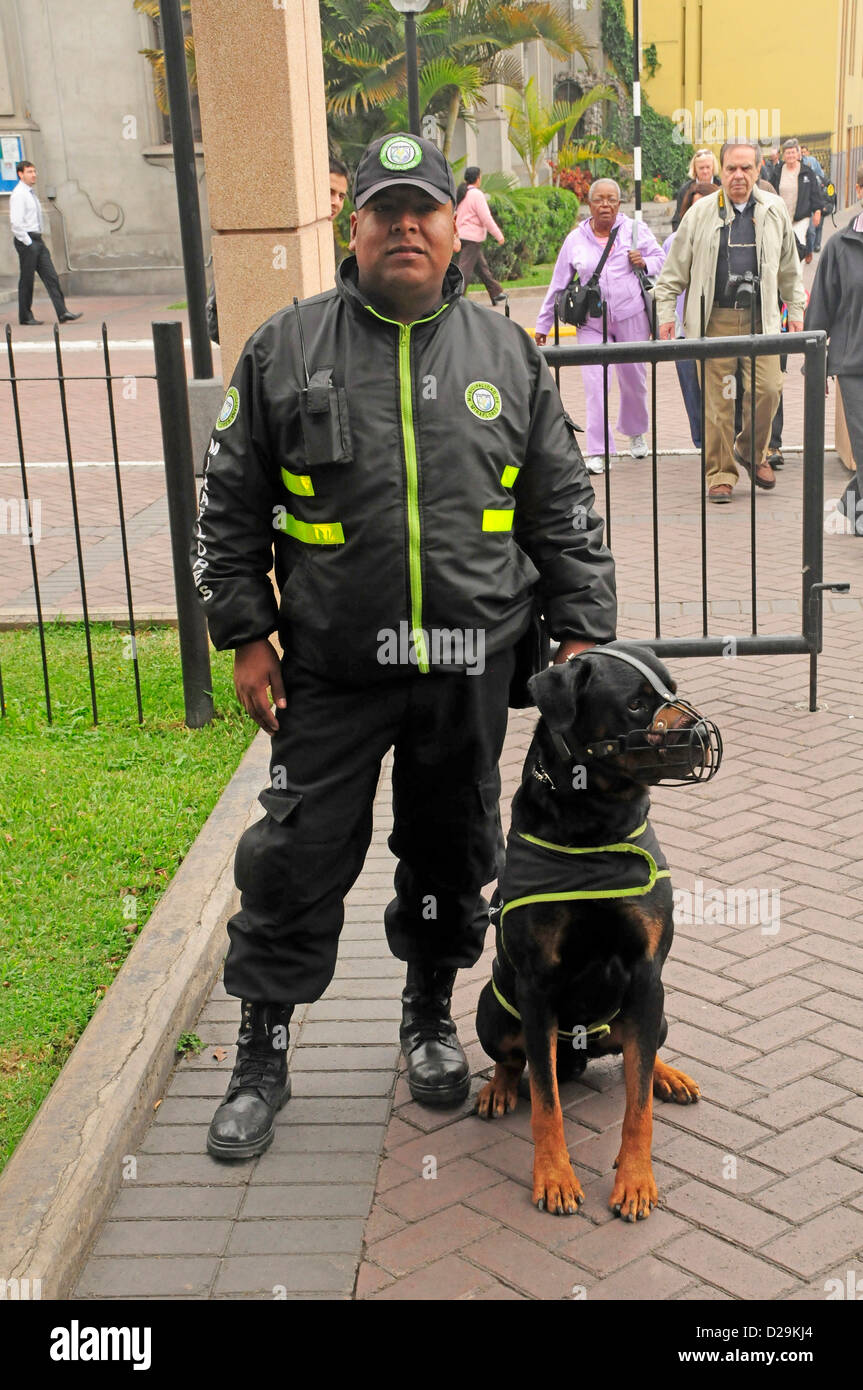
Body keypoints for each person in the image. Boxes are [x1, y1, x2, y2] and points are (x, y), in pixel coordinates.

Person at [190, 132, 617, 1160]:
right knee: (291, 857)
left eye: (421, 209)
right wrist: (247, 635)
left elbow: (559, 507)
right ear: (356, 226)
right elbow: (231, 508)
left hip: (466, 667)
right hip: (332, 669)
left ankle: (427, 1016)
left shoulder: (502, 353)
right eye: (384, 211)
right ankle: (263, 1050)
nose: (404, 228)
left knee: (450, 851)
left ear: (450, 224)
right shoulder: (284, 346)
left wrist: (580, 631)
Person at [655, 139, 805, 504]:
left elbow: (789, 267)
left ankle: (752, 450)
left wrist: (795, 310)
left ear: (757, 170)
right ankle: (720, 473)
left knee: (769, 389)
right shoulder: (700, 213)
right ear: (721, 171)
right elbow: (673, 272)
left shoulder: (773, 210)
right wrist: (665, 315)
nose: (738, 175)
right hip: (715, 319)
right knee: (721, 400)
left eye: (746, 168)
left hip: (762, 320)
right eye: (731, 168)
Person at [535, 178, 665, 473]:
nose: (605, 205)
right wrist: (544, 324)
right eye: (599, 199)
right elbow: (558, 284)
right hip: (592, 322)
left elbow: (662, 258)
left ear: (619, 204)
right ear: (589, 204)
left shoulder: (634, 230)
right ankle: (598, 449)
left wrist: (644, 261)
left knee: (634, 380)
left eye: (611, 200)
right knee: (595, 385)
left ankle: (635, 432)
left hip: (631, 316)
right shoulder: (575, 240)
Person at [206, 156, 351, 345]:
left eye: (341, 196)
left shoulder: (325, 238)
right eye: (330, 192)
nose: (336, 202)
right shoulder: (275, 236)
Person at [805, 164, 863, 531]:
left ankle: (850, 506)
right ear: (860, 189)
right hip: (856, 365)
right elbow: (821, 306)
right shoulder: (839, 245)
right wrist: (815, 364)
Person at [662, 181, 719, 450]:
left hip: (718, 328)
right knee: (693, 392)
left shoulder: (726, 237)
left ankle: (723, 442)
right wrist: (667, 320)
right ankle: (702, 443)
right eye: (693, 208)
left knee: (721, 393)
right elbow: (667, 284)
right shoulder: (674, 242)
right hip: (685, 331)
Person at [9, 161, 81, 326]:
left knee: (51, 277)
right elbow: (16, 224)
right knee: (27, 280)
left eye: (34, 171)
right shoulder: (19, 194)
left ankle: (62, 312)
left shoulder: (30, 193)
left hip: (37, 240)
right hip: (26, 240)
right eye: (29, 172)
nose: (33, 174)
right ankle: (25, 316)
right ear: (20, 174)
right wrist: (28, 242)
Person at [765, 139, 824, 262]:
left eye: (793, 152)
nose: (790, 155)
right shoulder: (778, 171)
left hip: (801, 217)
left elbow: (815, 193)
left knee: (798, 247)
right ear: (784, 155)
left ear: (798, 154)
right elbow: (770, 191)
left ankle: (797, 277)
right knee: (782, 249)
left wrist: (817, 211)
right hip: (782, 218)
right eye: (788, 153)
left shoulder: (807, 172)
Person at [454, 166, 506, 305]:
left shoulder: (462, 193)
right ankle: (455, 297)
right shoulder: (476, 194)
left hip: (463, 235)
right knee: (464, 269)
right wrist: (498, 235)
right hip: (472, 237)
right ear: (478, 178)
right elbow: (486, 218)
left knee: (481, 268)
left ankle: (496, 293)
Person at [670, 148, 721, 231]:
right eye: (701, 168)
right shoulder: (685, 190)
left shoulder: (722, 187)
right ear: (694, 169)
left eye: (708, 167)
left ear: (713, 167)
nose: (705, 171)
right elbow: (678, 219)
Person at [800, 145, 827, 256]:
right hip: (802, 203)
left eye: (804, 152)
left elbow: (823, 180)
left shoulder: (812, 162)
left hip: (813, 203)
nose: (802, 154)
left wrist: (823, 205)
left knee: (813, 230)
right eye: (801, 152)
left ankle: (811, 249)